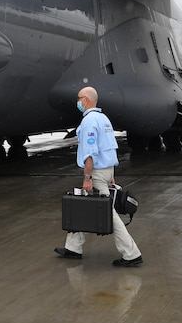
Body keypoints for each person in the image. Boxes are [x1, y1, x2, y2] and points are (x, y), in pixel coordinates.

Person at [54, 86, 143, 266]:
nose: (78, 102)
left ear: (86, 100)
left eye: (79, 98)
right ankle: (73, 247)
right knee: (80, 206)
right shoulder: (104, 119)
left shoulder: (89, 121)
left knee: (109, 214)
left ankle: (131, 254)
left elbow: (90, 152)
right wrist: (111, 175)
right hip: (107, 169)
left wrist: (87, 178)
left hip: (96, 172)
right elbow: (110, 146)